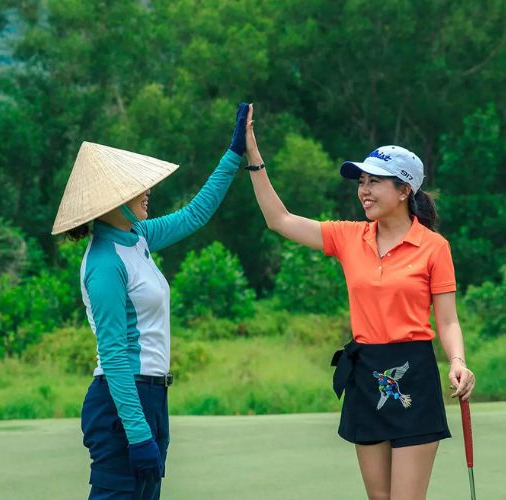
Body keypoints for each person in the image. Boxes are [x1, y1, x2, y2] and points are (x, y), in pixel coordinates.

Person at [243, 104, 476, 500]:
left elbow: (447, 320)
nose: (363, 191)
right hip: (365, 371)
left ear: (405, 191)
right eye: (361, 182)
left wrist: (458, 362)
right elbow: (279, 220)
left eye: (375, 182)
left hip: (413, 374)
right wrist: (253, 154)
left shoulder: (434, 247)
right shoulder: (349, 236)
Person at [51, 103, 250, 500]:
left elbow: (195, 214)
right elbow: (114, 355)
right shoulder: (104, 264)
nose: (147, 193)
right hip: (122, 403)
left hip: (152, 396)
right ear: (110, 203)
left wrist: (234, 154)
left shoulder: (138, 237)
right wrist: (139, 433)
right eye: (136, 189)